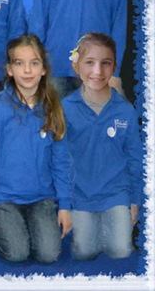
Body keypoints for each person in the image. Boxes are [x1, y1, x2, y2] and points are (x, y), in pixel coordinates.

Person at [0, 34, 72, 263]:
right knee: (17, 253)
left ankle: (28, 225)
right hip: (4, 198)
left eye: (34, 63)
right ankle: (5, 229)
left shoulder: (53, 108)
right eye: (19, 63)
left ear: (44, 69)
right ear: (9, 69)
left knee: (49, 254)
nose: (27, 70)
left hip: (41, 197)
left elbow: (60, 161)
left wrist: (65, 205)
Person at [63, 33, 141, 260]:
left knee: (120, 251)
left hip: (116, 194)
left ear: (114, 67)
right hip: (80, 195)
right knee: (84, 252)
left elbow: (135, 159)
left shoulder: (125, 110)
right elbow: (58, 158)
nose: (97, 71)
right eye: (89, 62)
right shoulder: (65, 108)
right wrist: (64, 202)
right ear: (76, 66)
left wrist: (134, 202)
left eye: (105, 63)